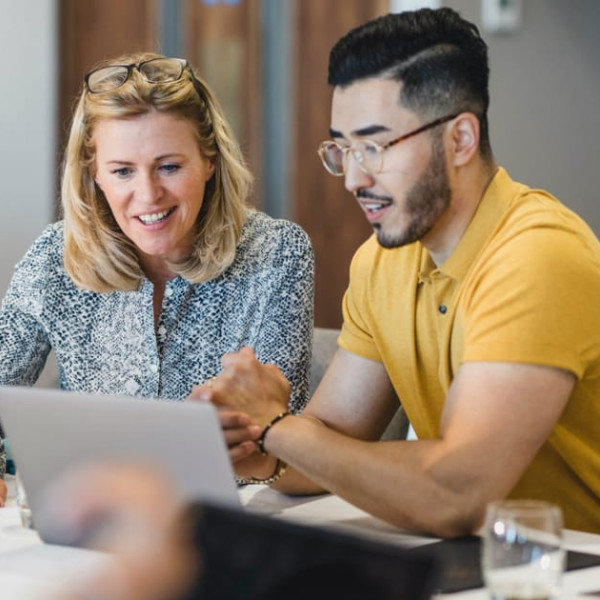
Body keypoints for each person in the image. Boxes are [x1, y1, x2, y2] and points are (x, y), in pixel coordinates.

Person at [191, 7, 600, 537]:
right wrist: (251, 444)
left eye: (374, 146)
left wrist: (276, 426)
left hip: (573, 565)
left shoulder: (537, 255)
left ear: (460, 140)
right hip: (475, 557)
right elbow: (331, 436)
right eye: (342, 148)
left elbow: (456, 493)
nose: (352, 178)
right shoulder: (384, 260)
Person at [0, 52, 314, 504]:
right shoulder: (54, 257)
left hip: (236, 519)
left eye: (169, 166)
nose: (147, 195)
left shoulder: (278, 253)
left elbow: (285, 442)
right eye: (122, 171)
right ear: (94, 175)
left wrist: (257, 447)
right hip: (94, 519)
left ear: (209, 160)